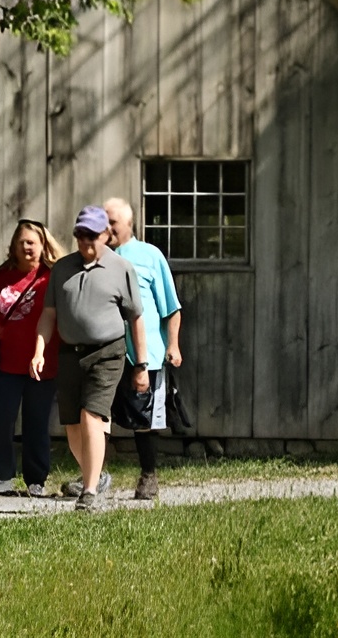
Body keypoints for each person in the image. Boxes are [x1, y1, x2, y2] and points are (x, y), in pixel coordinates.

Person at [31, 205, 147, 511]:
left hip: (107, 353)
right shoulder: (62, 268)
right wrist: (40, 349)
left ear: (106, 235)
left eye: (92, 236)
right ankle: (95, 476)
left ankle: (90, 492)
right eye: (80, 236)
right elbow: (48, 314)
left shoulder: (121, 268)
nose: (86, 242)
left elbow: (136, 318)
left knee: (91, 416)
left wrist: (142, 365)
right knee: (72, 427)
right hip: (70, 353)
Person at [104, 197, 183, 501]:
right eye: (105, 222)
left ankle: (148, 476)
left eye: (113, 222)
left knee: (146, 420)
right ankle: (95, 477)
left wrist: (173, 345)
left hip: (145, 354)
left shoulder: (149, 256)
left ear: (128, 223)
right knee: (98, 414)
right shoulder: (98, 257)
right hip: (107, 351)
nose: (108, 228)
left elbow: (172, 307)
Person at [0, 219, 64, 497]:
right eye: (21, 242)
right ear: (14, 246)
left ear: (43, 245)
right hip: (5, 360)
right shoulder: (3, 275)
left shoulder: (52, 276)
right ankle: (1, 476)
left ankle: (36, 480)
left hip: (42, 361)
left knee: (36, 422)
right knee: (1, 421)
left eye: (32, 242)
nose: (26, 247)